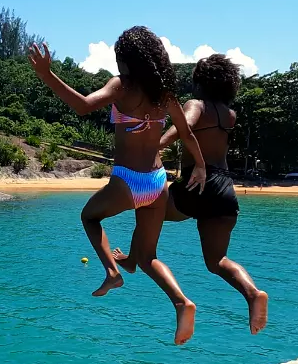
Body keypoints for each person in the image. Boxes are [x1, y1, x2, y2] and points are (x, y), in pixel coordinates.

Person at [28, 27, 207, 345]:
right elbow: (187, 134)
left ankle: (112, 272)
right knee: (147, 256)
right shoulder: (165, 95)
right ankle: (182, 302)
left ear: (126, 61)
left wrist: (47, 74)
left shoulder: (122, 86)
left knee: (89, 217)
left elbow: (83, 105)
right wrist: (201, 166)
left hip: (130, 181)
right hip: (157, 181)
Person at [112, 54, 268, 335]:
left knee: (148, 207)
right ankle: (253, 293)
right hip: (224, 189)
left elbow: (183, 128)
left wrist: (152, 145)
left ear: (201, 82)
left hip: (198, 183)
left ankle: (133, 260)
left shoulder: (196, 105)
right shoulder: (229, 115)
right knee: (217, 261)